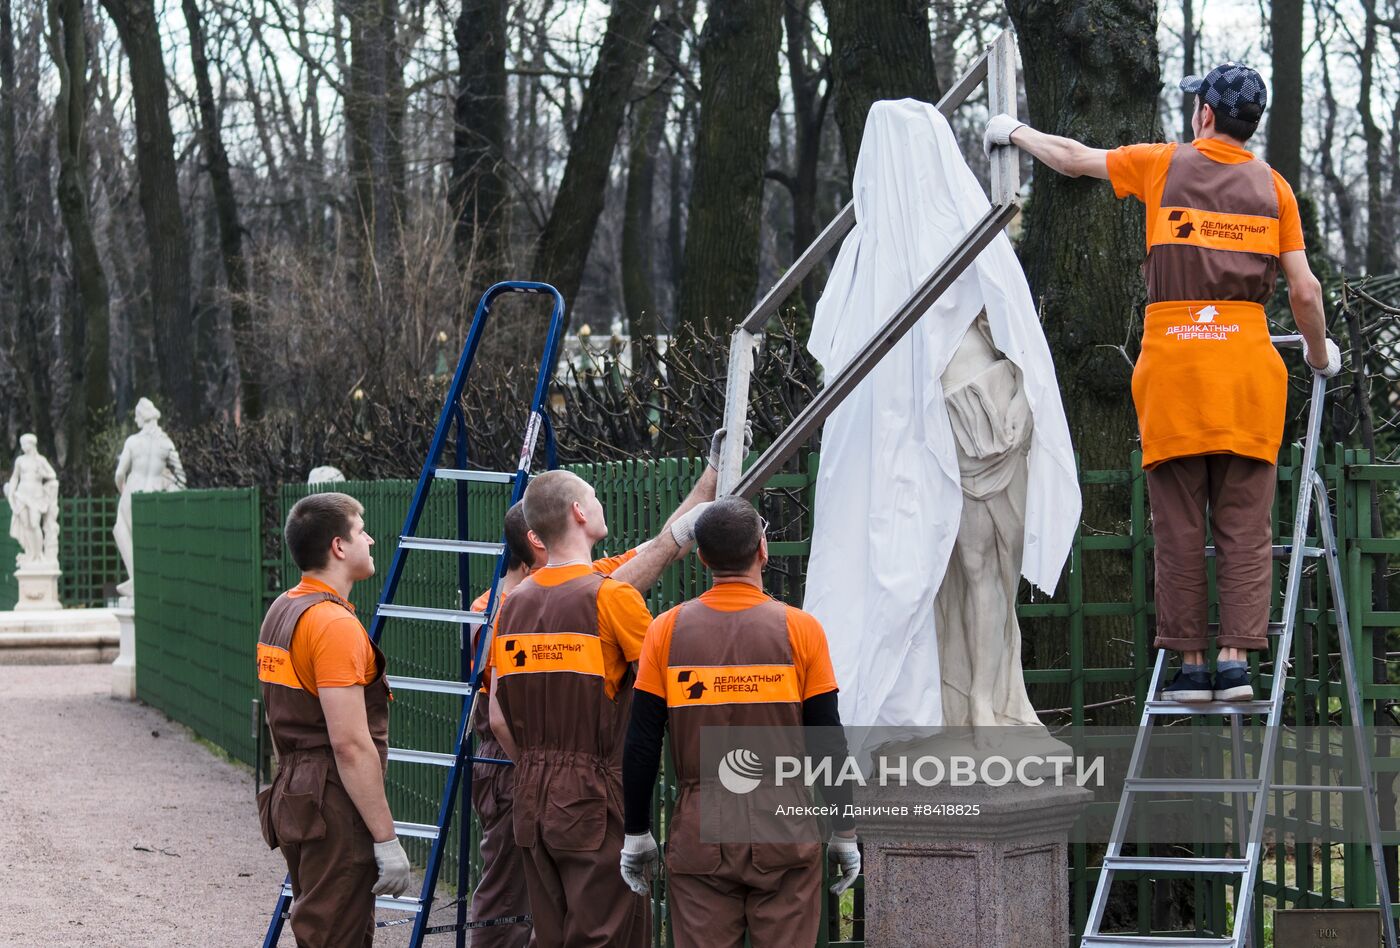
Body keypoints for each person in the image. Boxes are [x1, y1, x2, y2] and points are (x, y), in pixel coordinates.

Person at [984, 61, 1341, 703]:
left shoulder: (1163, 165)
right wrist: (1317, 354)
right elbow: (1305, 290)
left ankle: (1192, 666)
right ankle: (1236, 663)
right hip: (1248, 378)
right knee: (1245, 527)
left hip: (1174, 371)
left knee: (1178, 526)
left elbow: (1071, 159)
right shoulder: (1275, 189)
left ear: (1204, 112)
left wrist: (1014, 132)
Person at [485, 441, 722, 947]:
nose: (599, 503)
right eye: (592, 496)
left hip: (532, 796)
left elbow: (499, 715)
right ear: (577, 511)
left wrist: (537, 768)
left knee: (552, 935)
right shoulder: (612, 598)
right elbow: (669, 699)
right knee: (610, 935)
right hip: (595, 797)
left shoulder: (510, 605)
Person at [618, 496, 861, 948]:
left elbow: (642, 743)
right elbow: (828, 740)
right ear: (762, 551)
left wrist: (636, 831)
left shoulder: (665, 632)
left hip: (699, 837)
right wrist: (844, 831)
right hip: (785, 831)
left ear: (704, 557)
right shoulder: (802, 630)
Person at [463, 503, 641, 947]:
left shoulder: (506, 607)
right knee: (592, 922)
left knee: (548, 921)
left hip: (528, 775)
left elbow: (653, 550)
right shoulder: (604, 596)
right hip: (577, 781)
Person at [255, 493, 413, 947]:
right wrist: (385, 838)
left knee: (327, 928)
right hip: (332, 802)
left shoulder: (282, 610)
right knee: (335, 937)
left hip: (296, 792)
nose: (370, 541)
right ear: (339, 546)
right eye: (362, 531)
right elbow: (350, 743)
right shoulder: (333, 625)